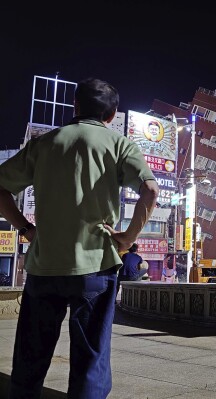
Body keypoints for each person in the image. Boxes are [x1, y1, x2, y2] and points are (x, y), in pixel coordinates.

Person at [0, 78, 159, 399]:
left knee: (30, 358)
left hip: (45, 265)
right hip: (96, 265)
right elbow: (151, 189)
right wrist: (127, 238)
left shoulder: (44, 143)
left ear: (75, 106)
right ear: (112, 114)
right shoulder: (119, 144)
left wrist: (26, 229)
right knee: (90, 361)